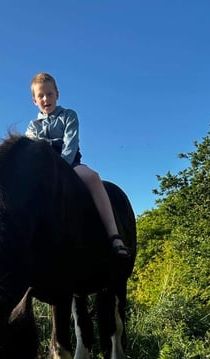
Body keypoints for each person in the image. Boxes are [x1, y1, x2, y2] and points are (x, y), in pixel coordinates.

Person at [25, 72, 131, 259]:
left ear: (57, 94)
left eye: (49, 94)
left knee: (92, 177)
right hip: (44, 171)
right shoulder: (33, 126)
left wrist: (62, 169)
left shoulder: (69, 116)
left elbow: (70, 144)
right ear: (34, 100)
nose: (46, 98)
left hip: (70, 165)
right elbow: (33, 147)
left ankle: (114, 236)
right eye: (40, 95)